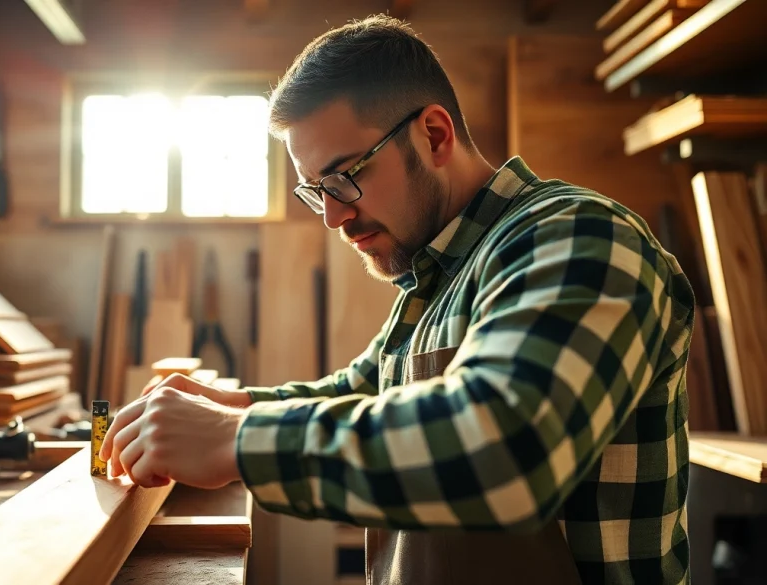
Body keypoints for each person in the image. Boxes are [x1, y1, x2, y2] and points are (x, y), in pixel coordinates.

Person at [99, 14, 693, 585]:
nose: (333, 217)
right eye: (316, 192)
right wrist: (235, 404)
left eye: (344, 178)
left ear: (434, 135)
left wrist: (235, 440)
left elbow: (508, 451)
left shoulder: (578, 237)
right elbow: (361, 389)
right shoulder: (440, 269)